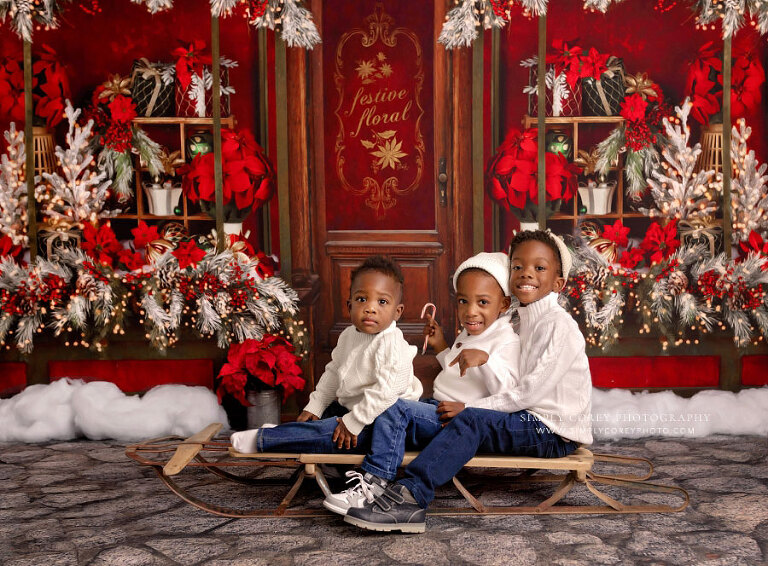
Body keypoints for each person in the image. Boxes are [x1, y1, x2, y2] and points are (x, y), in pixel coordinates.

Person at [344, 229, 593, 533]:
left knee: (472, 420)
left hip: (550, 429)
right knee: (441, 415)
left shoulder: (558, 327)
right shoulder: (526, 319)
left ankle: (410, 498)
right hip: (527, 417)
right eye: (518, 266)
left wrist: (471, 407)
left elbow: (527, 393)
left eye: (539, 268)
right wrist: (445, 354)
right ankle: (369, 474)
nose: (526, 273)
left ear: (558, 283)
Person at [323, 252, 519, 516]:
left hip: (456, 421)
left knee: (394, 407)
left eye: (482, 302)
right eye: (463, 301)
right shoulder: (474, 330)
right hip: (435, 406)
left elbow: (508, 394)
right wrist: (442, 348)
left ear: (504, 304)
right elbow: (458, 372)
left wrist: (482, 373)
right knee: (362, 410)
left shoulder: (505, 339)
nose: (471, 311)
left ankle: (375, 482)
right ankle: (334, 464)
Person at [230, 255, 422, 457]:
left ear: (397, 312)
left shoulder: (391, 343)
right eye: (361, 299)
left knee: (329, 433)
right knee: (319, 418)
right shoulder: (348, 335)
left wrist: (354, 422)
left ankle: (266, 439)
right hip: (352, 408)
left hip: (383, 421)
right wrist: (316, 405)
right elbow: (333, 373)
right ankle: (287, 434)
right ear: (350, 306)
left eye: (382, 301)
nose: (370, 308)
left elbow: (385, 393)